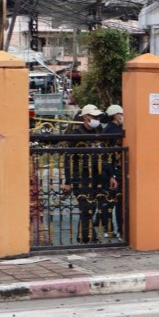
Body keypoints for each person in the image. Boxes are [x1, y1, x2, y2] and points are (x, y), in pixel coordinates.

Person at [65, 104, 104, 243]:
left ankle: (83, 236)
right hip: (80, 176)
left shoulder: (98, 131)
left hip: (95, 175)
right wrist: (68, 181)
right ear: (86, 117)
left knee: (92, 207)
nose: (97, 119)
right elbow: (68, 158)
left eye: (98, 117)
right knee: (86, 207)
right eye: (94, 116)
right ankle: (89, 238)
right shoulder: (77, 135)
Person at [97, 104, 124, 238]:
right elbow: (113, 152)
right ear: (116, 115)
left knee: (107, 202)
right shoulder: (115, 130)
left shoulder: (107, 129)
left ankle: (109, 230)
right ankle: (120, 230)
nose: (122, 117)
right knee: (117, 201)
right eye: (121, 114)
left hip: (106, 169)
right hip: (113, 169)